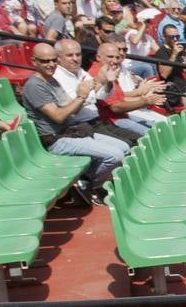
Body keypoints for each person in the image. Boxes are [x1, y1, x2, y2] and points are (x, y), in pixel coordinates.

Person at [21, 41, 130, 200]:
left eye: (53, 60)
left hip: (72, 132)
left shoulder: (52, 80)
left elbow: (73, 109)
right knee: (115, 156)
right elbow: (59, 116)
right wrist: (81, 96)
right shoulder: (35, 85)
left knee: (125, 147)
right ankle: (96, 189)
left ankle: (85, 181)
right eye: (45, 61)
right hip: (56, 139)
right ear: (34, 62)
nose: (51, 64)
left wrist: (98, 84)